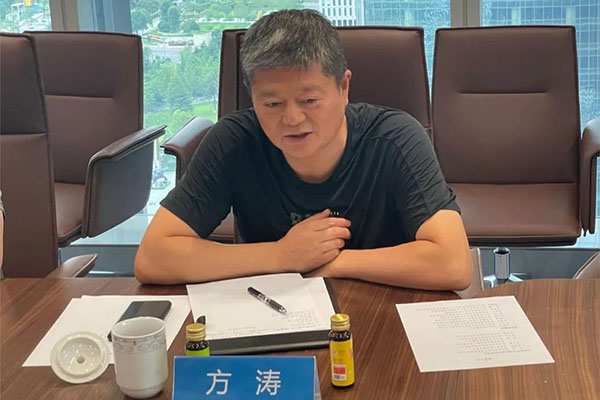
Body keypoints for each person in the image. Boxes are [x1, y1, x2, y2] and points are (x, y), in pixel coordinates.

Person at [135, 9, 472, 290]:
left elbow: (454, 263)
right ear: (252, 98)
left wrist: (333, 262)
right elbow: (152, 257)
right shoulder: (234, 141)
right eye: (272, 104)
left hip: (383, 312)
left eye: (309, 100)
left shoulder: (395, 138)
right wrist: (281, 255)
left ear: (343, 87)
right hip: (275, 315)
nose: (292, 119)